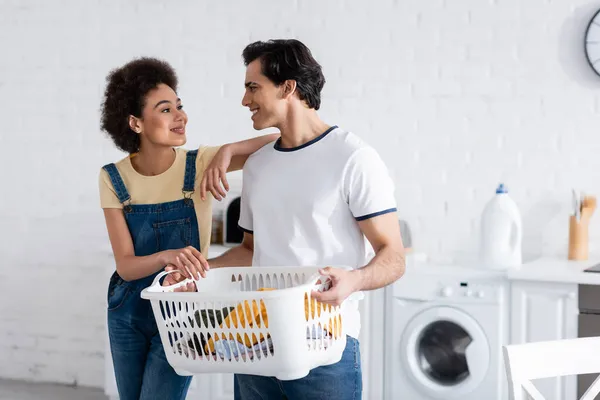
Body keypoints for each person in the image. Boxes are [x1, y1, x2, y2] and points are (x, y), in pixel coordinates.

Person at [203, 39, 407, 400]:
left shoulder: (353, 159)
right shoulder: (259, 165)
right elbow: (250, 251)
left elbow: (393, 255)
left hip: (325, 346)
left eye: (253, 87)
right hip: (257, 343)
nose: (244, 100)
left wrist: (355, 279)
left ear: (288, 87)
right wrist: (200, 271)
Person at [98, 57, 278, 400]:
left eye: (179, 106)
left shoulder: (200, 164)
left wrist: (228, 151)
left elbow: (282, 138)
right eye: (166, 110)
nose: (181, 116)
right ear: (135, 122)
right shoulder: (112, 177)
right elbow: (126, 264)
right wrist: (167, 255)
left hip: (182, 310)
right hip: (128, 311)